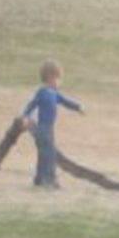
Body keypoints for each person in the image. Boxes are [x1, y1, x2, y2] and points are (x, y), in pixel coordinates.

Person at [21, 59, 84, 188]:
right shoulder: (42, 93)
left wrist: (78, 107)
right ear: (50, 78)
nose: (59, 82)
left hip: (49, 129)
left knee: (44, 154)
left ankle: (39, 178)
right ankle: (49, 179)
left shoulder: (54, 94)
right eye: (58, 79)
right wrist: (25, 117)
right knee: (49, 154)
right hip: (41, 129)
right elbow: (31, 105)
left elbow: (65, 101)